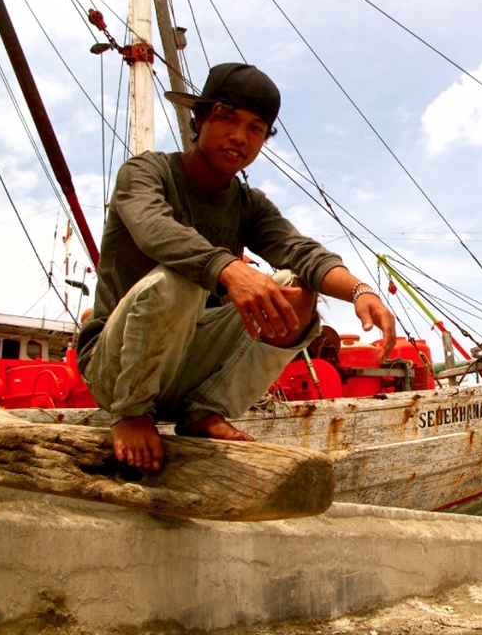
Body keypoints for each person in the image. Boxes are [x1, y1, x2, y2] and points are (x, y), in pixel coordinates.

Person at [77, 63, 396, 472]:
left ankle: (204, 409)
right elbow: (153, 228)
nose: (239, 137)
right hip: (116, 365)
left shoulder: (249, 204)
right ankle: (132, 412)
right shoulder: (145, 172)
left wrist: (360, 291)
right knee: (184, 275)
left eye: (255, 128)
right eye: (227, 118)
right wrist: (227, 268)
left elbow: (300, 251)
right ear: (200, 118)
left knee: (296, 290)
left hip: (185, 367)